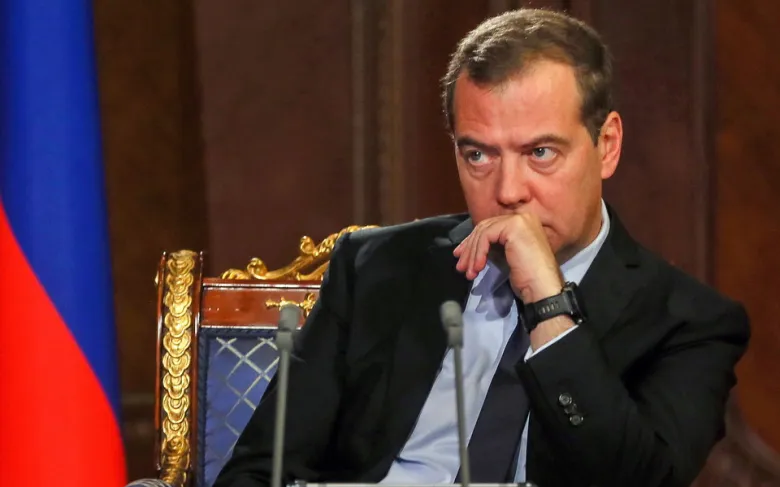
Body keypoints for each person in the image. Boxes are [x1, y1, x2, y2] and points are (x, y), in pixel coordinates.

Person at [214, 8, 750, 487]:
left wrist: (548, 305)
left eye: (540, 152)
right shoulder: (376, 268)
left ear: (606, 146)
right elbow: (256, 472)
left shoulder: (688, 323)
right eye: (478, 156)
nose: (508, 191)